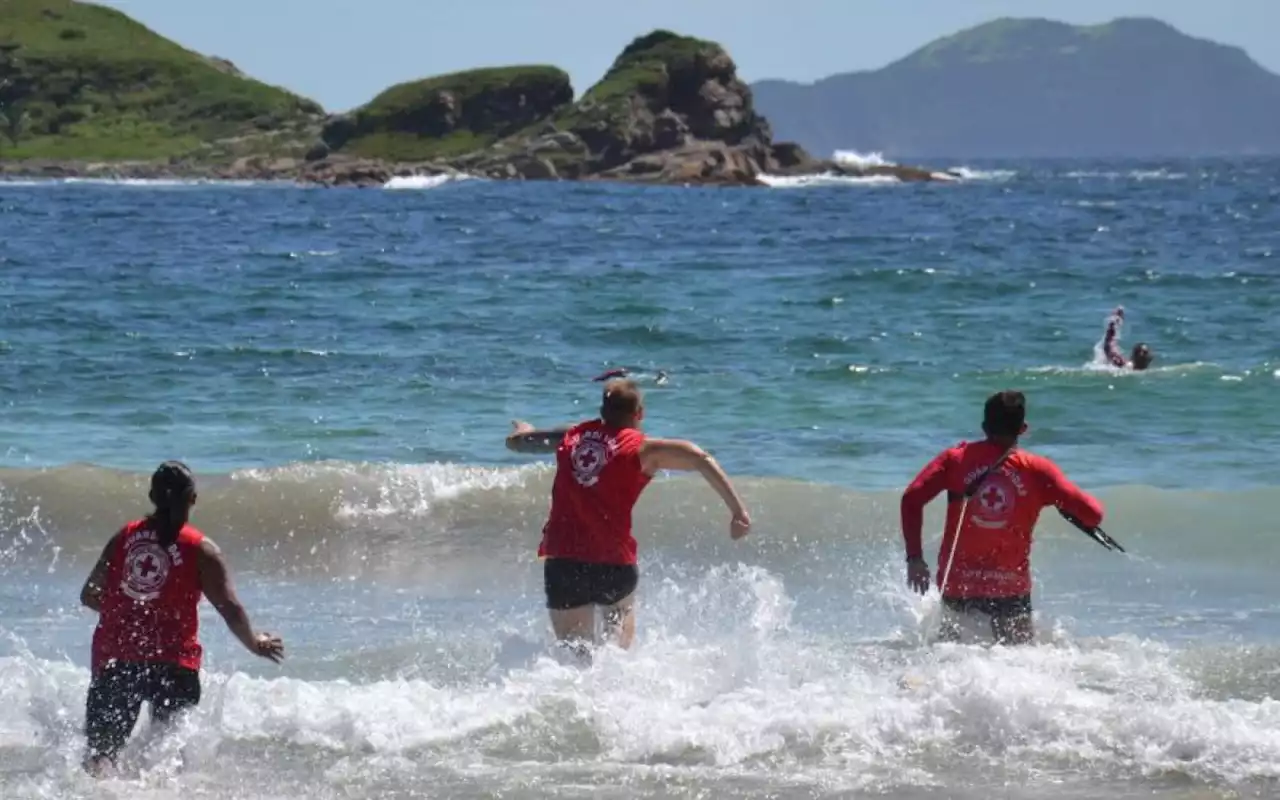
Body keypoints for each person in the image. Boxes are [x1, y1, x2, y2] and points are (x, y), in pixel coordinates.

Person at [505, 379, 751, 655]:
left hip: (564, 563)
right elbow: (699, 457)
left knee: (575, 659)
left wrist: (522, 431)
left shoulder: (572, 435)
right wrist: (738, 511)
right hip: (613, 567)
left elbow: (524, 443)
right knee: (616, 661)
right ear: (639, 414)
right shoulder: (643, 450)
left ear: (602, 409)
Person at [79, 461, 284, 776]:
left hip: (116, 657)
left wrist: (130, 612)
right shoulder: (202, 550)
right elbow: (229, 607)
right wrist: (254, 643)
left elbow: (90, 594)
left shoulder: (124, 538)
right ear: (193, 499)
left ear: (152, 495)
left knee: (101, 756)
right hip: (173, 664)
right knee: (166, 759)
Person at [899, 391, 1105, 645]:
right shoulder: (1038, 471)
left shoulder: (956, 460)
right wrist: (1053, 497)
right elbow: (1093, 515)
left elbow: (911, 499)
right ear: (1023, 428)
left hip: (959, 584)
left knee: (948, 658)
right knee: (1017, 662)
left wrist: (915, 559)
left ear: (984, 427)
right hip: (1009, 587)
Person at [1102, 306, 1154, 370]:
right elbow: (1108, 347)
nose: (1141, 354)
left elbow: (1108, 346)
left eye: (1144, 353)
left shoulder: (1123, 365)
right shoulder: (1123, 365)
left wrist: (1114, 322)